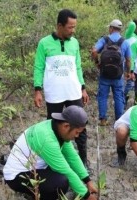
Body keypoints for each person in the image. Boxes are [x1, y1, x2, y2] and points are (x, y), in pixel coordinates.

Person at [33, 9, 90, 167]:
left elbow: (77, 67)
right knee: (55, 128)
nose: (73, 30)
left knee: (80, 126)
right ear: (59, 25)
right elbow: (38, 67)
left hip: (73, 92)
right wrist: (38, 90)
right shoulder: (44, 43)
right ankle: (54, 161)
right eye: (70, 27)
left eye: (74, 27)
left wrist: (83, 88)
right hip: (54, 94)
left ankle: (83, 160)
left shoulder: (75, 43)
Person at [3, 105, 98, 200]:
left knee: (67, 171)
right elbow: (66, 171)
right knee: (61, 182)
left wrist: (88, 181)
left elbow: (72, 156)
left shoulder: (57, 127)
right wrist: (87, 196)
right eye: (76, 132)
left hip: (35, 169)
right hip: (16, 176)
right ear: (66, 126)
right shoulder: (46, 138)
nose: (77, 136)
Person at [91, 19, 132, 126]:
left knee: (103, 96)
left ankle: (103, 120)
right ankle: (119, 120)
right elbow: (128, 60)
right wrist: (128, 72)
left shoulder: (104, 40)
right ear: (119, 30)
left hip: (104, 74)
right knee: (118, 96)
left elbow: (94, 51)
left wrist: (97, 63)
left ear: (111, 28)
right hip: (118, 75)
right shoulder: (125, 42)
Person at [123, 19, 137, 106]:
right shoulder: (129, 34)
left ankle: (136, 101)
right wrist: (134, 22)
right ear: (136, 26)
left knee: (135, 83)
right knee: (130, 82)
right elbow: (131, 25)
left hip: (135, 63)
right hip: (127, 62)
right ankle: (122, 97)